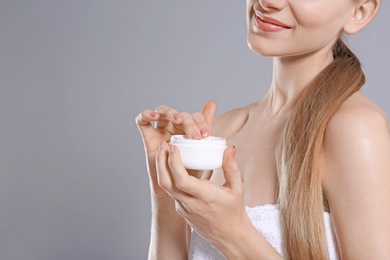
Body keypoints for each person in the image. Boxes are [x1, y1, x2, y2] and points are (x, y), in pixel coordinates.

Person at [136, 0, 390, 259]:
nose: (269, 1)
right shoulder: (222, 130)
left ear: (359, 12)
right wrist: (166, 194)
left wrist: (232, 234)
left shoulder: (355, 129)